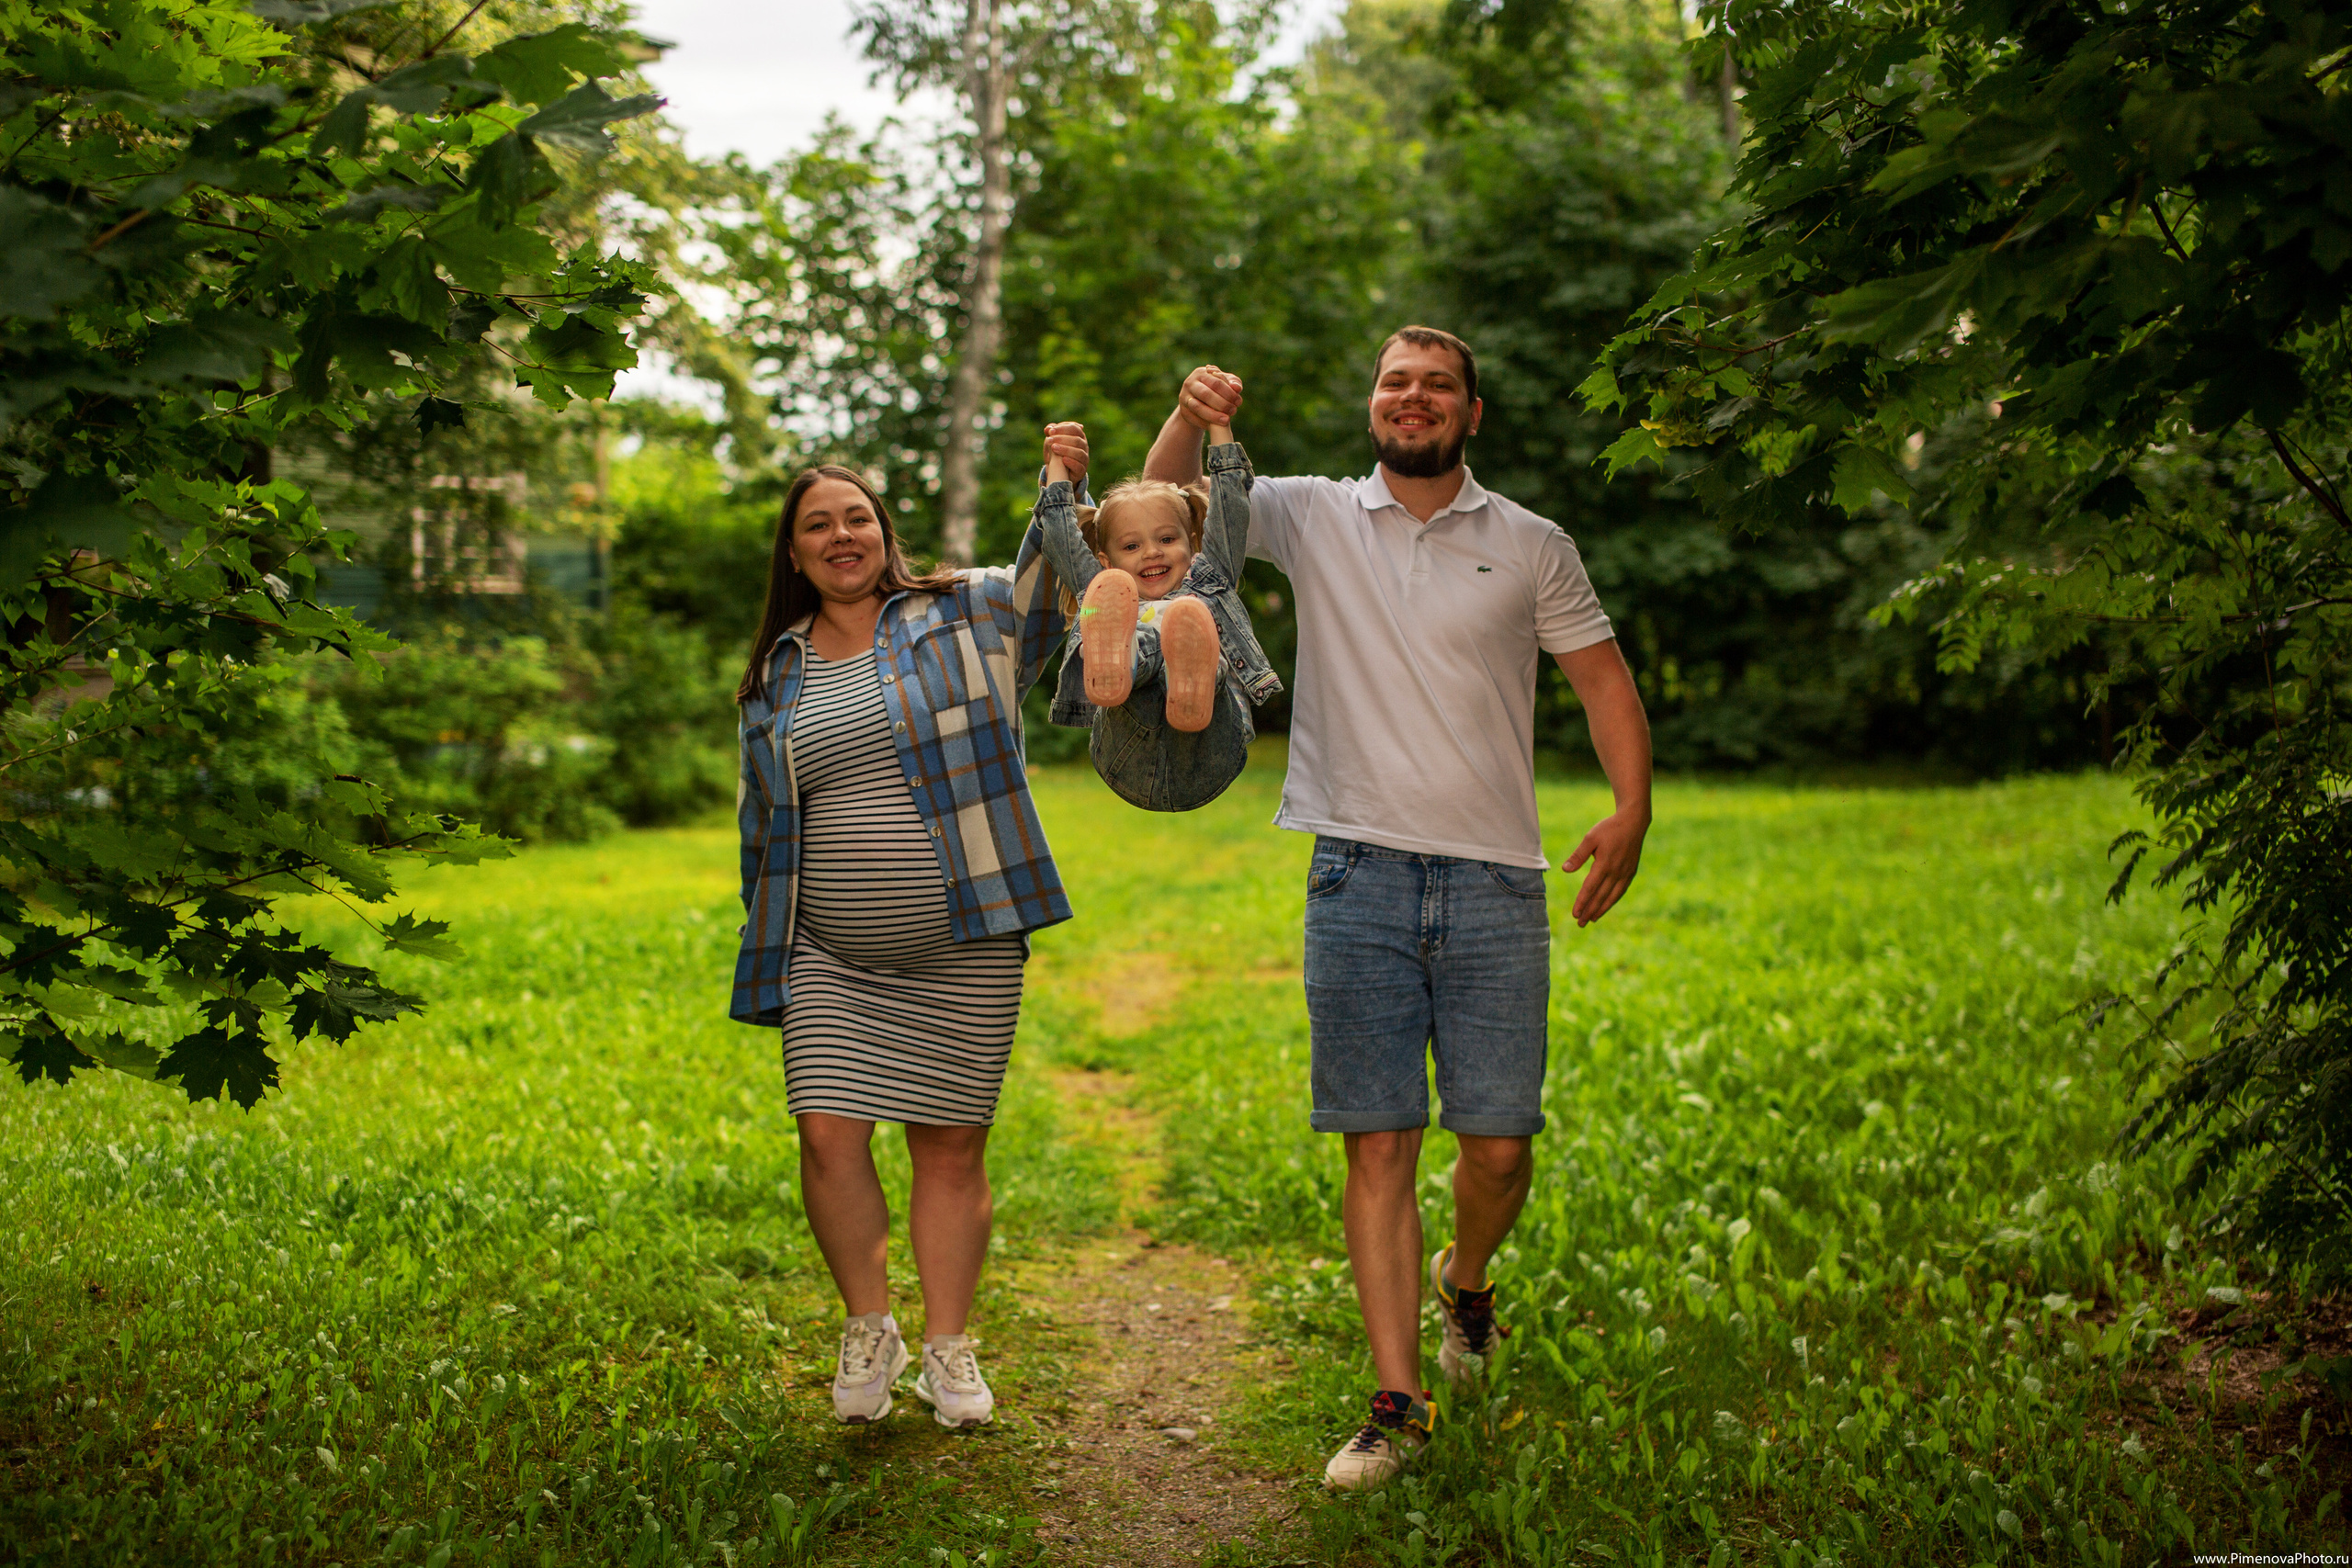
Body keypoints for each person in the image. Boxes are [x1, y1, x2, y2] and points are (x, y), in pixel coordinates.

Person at [1142, 329, 1654, 1489]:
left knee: (1500, 1147)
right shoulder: (1313, 514)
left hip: (1492, 881)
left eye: (1435, 386)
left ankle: (1466, 1288)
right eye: (1392, 382)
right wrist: (1187, 408)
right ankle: (1397, 1402)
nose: (1410, 398)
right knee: (1378, 1139)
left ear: (1470, 414)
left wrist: (1633, 808)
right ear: (1371, 404)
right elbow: (1162, 505)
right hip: (1354, 876)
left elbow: (1601, 679)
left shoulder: (1531, 544)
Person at [729, 450, 1083, 1430]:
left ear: (883, 531)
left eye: (857, 518)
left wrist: (1062, 486)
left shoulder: (964, 612)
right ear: (794, 555)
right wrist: (765, 940)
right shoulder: (773, 675)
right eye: (818, 526)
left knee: (950, 1147)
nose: (842, 536)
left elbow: (1062, 588)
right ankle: (868, 1325)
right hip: (827, 955)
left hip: (965, 938)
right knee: (826, 1137)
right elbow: (762, 827)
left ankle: (949, 1347)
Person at [1034, 412, 1282, 810]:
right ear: (1105, 560)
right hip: (1127, 753)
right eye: (1131, 546)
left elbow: (1230, 509)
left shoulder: (1209, 578)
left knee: (1189, 622)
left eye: (1167, 538)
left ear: (1193, 543)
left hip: (1210, 749)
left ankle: (1181, 671)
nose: (1151, 552)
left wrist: (1219, 424)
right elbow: (1060, 535)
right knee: (1115, 615)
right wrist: (1057, 466)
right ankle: (1123, 659)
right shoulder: (1102, 590)